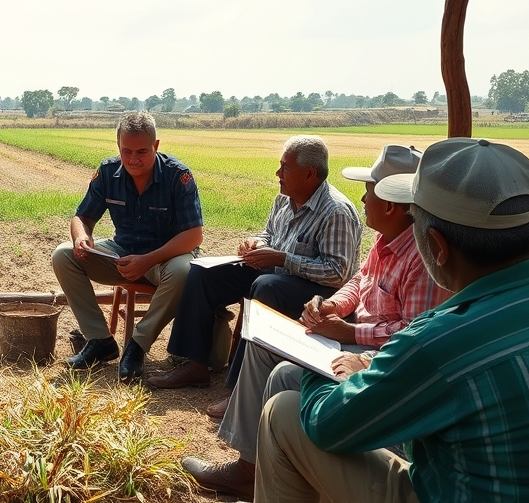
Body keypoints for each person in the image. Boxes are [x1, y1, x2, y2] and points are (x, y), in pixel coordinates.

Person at [255, 137, 529, 502]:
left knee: (284, 412)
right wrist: (338, 312)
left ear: (436, 246)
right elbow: (361, 279)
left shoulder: (438, 341)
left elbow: (327, 426)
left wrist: (322, 359)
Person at [182, 144, 451, 500]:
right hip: (351, 335)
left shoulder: (420, 258)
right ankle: (249, 463)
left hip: (371, 351)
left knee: (281, 361)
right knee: (264, 345)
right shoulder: (386, 239)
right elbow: (359, 280)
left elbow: (414, 333)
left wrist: (351, 331)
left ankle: (258, 470)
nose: (363, 198)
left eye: (369, 191)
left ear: (390, 204)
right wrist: (333, 305)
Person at [146, 135, 362, 392]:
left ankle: (240, 387)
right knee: (202, 273)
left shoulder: (336, 211)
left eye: (285, 167)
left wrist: (282, 259)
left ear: (309, 174)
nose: (278, 173)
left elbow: (337, 273)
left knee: (266, 286)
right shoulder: (284, 199)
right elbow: (269, 234)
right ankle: (194, 365)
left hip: (317, 294)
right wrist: (255, 243)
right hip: (275, 274)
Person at [52, 112, 203, 383]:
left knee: (185, 271)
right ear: (118, 146)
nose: (133, 159)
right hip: (121, 252)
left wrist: (148, 260)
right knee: (63, 255)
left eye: (142, 151)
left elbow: (193, 236)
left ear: (156, 146)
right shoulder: (108, 172)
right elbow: (82, 217)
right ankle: (100, 340)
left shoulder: (177, 175)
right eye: (126, 151)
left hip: (166, 258)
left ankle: (137, 345)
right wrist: (81, 237)